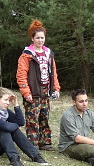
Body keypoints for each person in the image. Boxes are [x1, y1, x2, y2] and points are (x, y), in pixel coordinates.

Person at [0, 87, 49, 166]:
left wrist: (16, 105)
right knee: (4, 131)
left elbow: (21, 122)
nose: (8, 103)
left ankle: (36, 156)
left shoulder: (4, 111)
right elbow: (6, 126)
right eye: (5, 100)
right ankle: (14, 159)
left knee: (13, 130)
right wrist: (16, 125)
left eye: (9, 100)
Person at [16, 19, 61, 151]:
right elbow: (21, 76)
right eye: (37, 38)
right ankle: (32, 144)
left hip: (46, 91)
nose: (40, 40)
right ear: (32, 38)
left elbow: (54, 73)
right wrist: (26, 92)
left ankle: (45, 143)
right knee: (32, 119)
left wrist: (56, 88)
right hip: (33, 92)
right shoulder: (26, 56)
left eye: (42, 38)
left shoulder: (49, 54)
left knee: (44, 117)